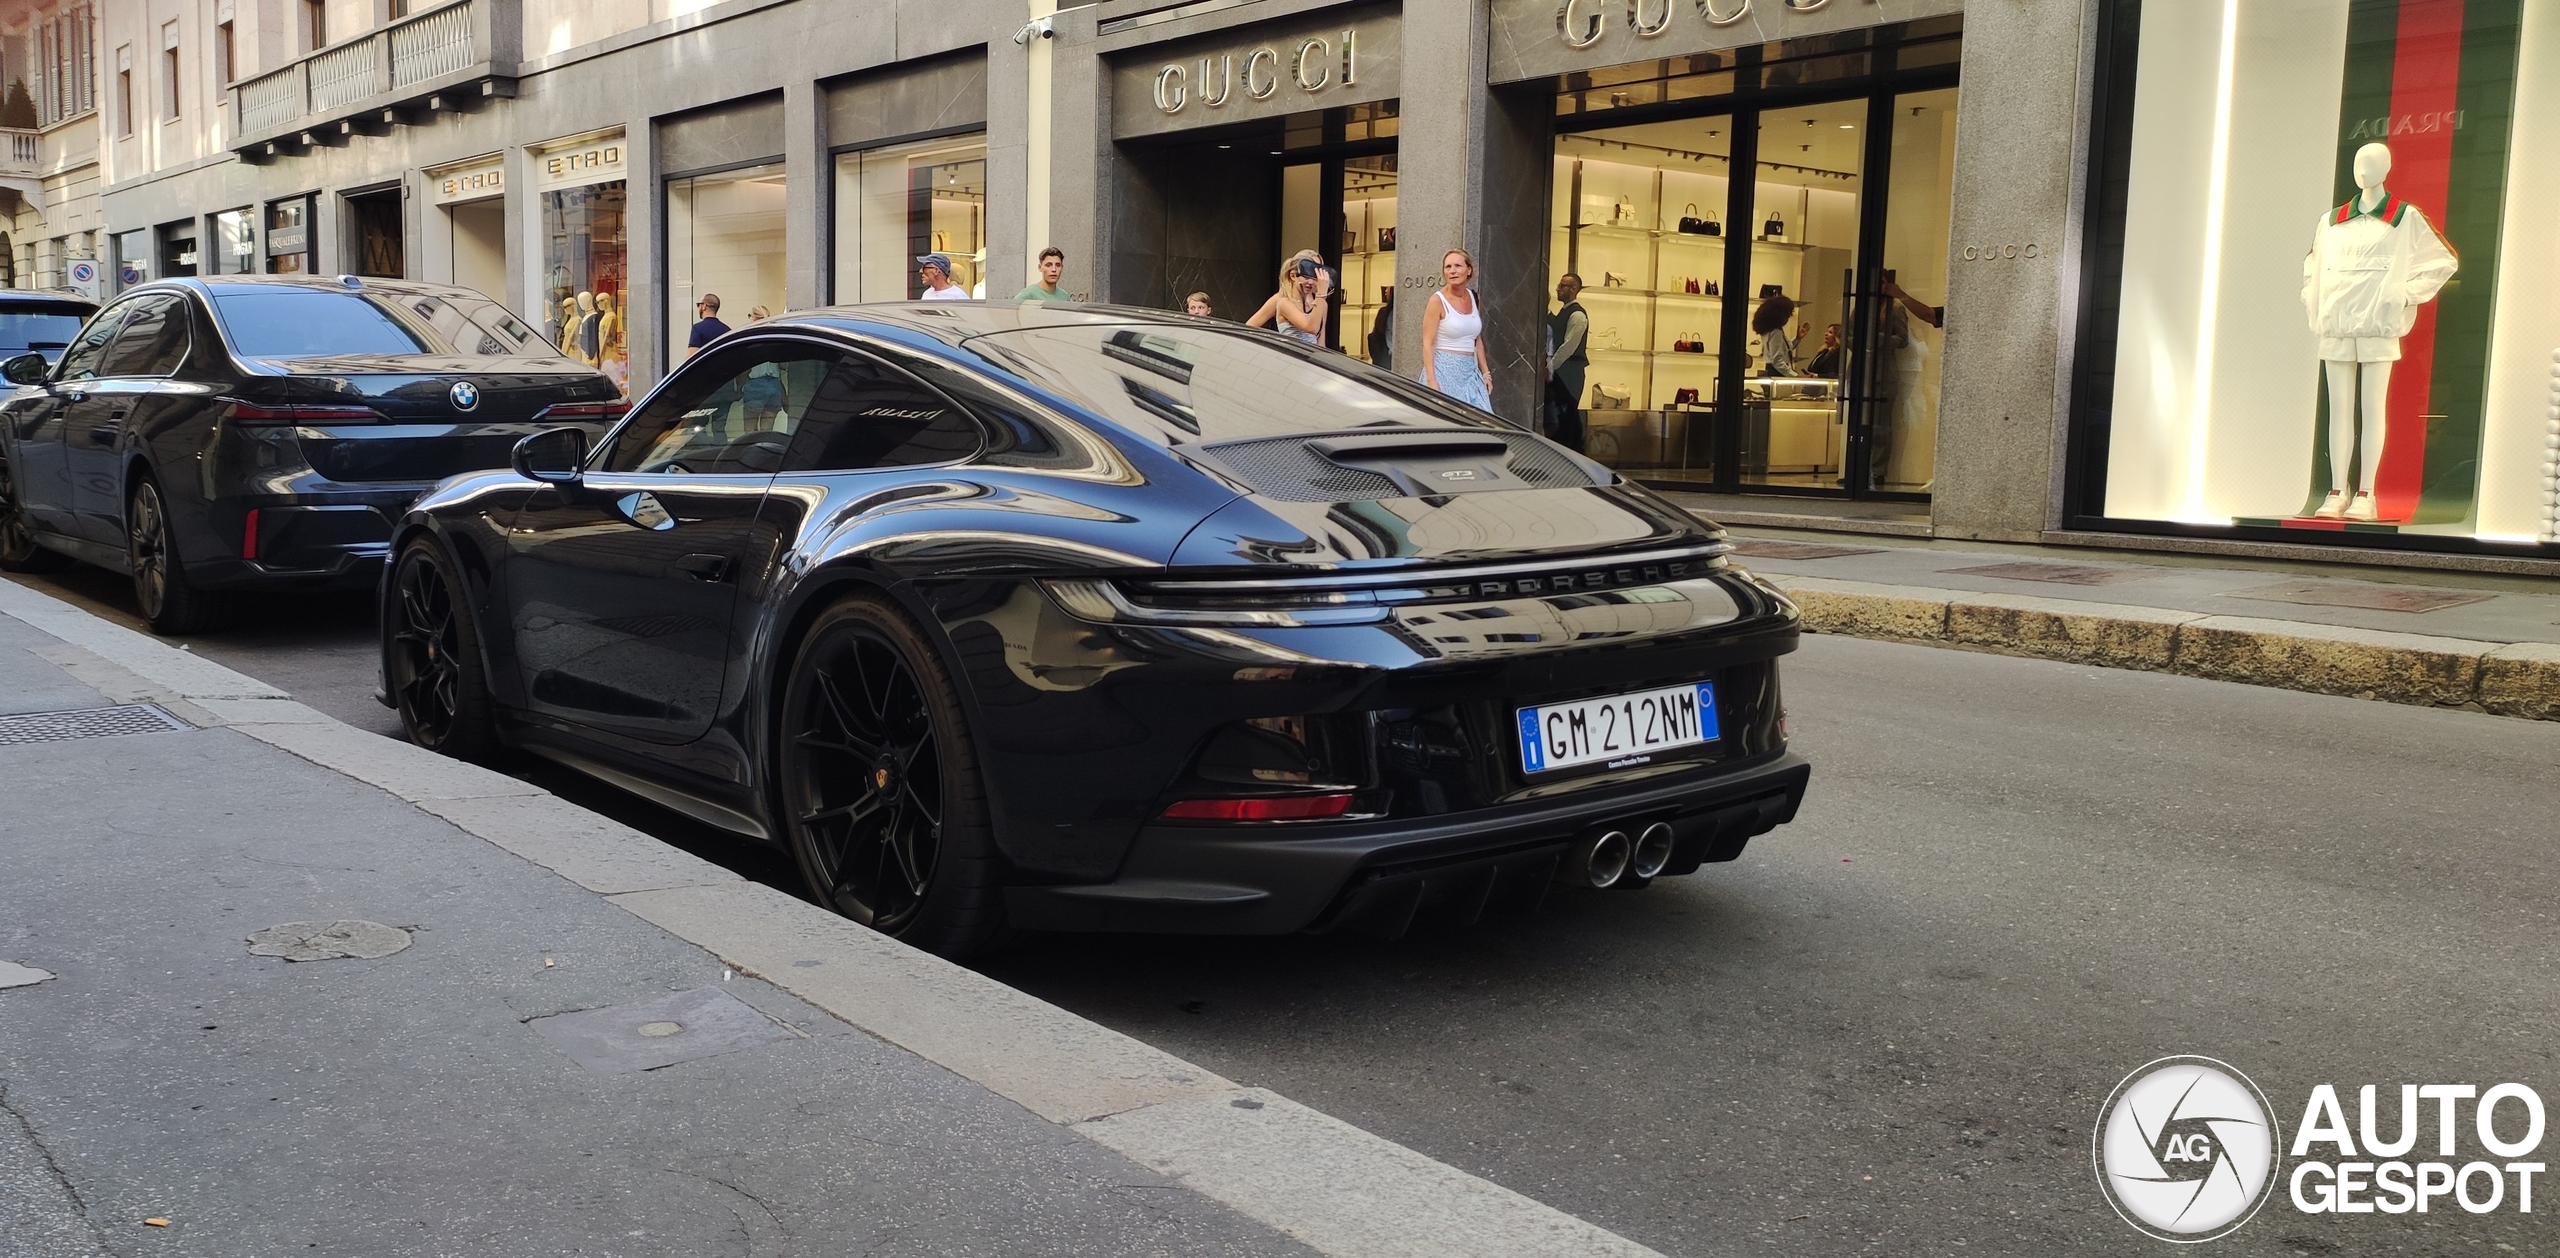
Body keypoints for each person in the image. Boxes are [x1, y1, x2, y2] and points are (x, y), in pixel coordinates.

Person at [1420, 248, 1493, 412]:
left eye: (1458, 266)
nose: (1452, 271)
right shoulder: (1437, 301)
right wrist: (1432, 381)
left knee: (1482, 421)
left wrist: (1486, 373)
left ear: (1469, 270)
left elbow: (1476, 339)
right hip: (1443, 370)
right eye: (1448, 267)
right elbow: (1428, 343)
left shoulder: (1474, 297)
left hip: (1470, 372)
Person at [1246, 251, 1327, 346]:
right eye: (1307, 275)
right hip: (1291, 357)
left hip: (1311, 358)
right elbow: (1311, 328)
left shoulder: (1321, 303)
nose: (1311, 281)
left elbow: (1321, 342)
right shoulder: (1283, 300)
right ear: (1293, 276)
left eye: (1315, 276)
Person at [1545, 273, 1588, 450]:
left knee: (1566, 419)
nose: (1558, 288)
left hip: (1569, 375)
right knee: (1561, 419)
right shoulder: (1565, 313)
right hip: (1561, 373)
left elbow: (1568, 346)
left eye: (1563, 285)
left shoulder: (1577, 316)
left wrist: (1551, 367)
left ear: (1573, 289)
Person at [1753, 292, 1803, 377]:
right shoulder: (1776, 333)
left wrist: (1797, 338)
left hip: (1771, 370)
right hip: (1776, 372)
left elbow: (1785, 348)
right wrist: (1795, 376)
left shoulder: (1769, 331)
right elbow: (1777, 361)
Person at [684, 293, 729, 360]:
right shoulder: (727, 330)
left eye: (698, 305)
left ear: (704, 306)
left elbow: (690, 357)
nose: (698, 308)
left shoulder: (697, 328)